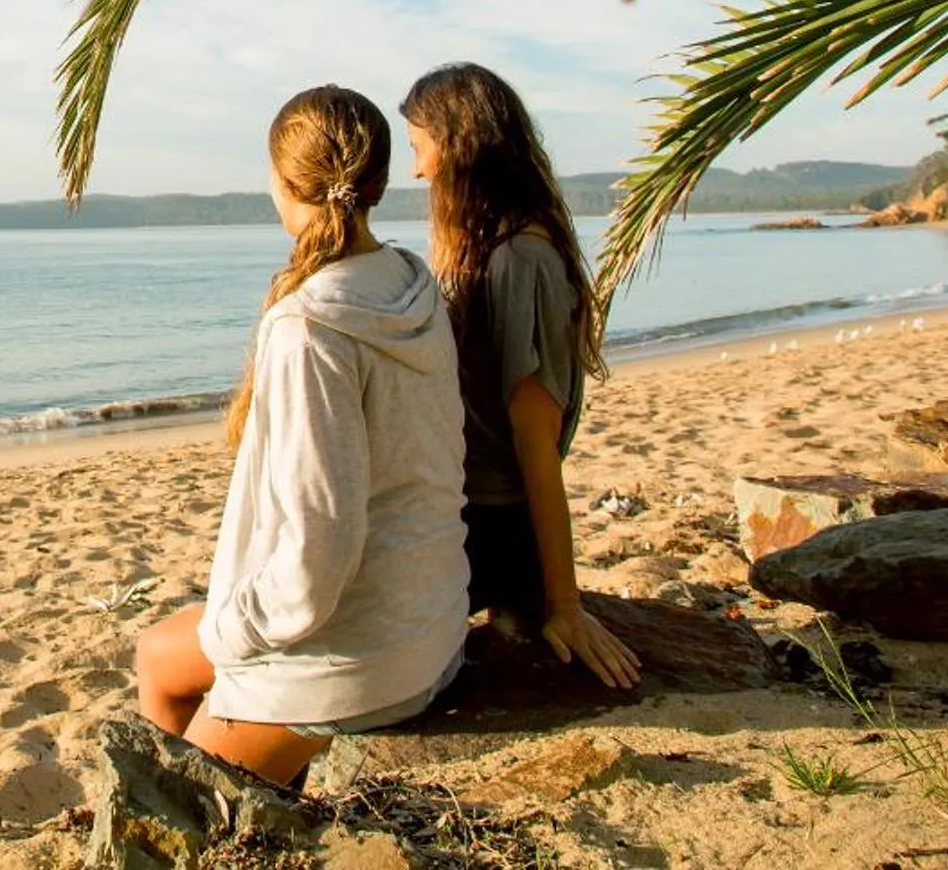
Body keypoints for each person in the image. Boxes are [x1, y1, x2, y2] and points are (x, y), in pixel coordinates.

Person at [132, 85, 473, 787]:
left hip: (355, 655)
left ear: (283, 184)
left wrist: (232, 637)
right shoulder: (411, 283)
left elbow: (318, 553)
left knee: (182, 802)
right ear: (376, 182)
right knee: (157, 658)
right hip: (428, 611)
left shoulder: (308, 330)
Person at [399, 63, 641, 691]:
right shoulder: (491, 249)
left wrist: (564, 606)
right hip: (468, 514)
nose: (416, 171)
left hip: (491, 530)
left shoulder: (519, 259)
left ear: (455, 145)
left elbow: (538, 449)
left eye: (419, 148)